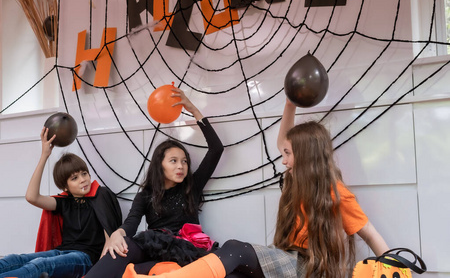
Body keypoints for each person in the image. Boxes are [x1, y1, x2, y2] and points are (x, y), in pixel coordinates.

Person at [122, 98, 389, 278]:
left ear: (306, 156)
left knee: (235, 249)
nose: (282, 159)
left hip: (308, 268)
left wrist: (394, 264)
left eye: (288, 154)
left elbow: (371, 235)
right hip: (290, 257)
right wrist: (289, 104)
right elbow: (286, 139)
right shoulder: (298, 179)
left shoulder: (336, 193)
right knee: (235, 268)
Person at [84, 87, 224, 278]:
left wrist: (194, 110)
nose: (181, 166)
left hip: (188, 249)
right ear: (160, 165)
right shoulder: (146, 196)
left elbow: (216, 149)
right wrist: (118, 234)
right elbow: (131, 223)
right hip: (155, 245)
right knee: (124, 246)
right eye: (173, 161)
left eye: (184, 161)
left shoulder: (192, 186)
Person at [0, 128, 122, 278]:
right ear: (65, 187)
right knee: (14, 259)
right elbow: (32, 197)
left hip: (85, 258)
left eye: (84, 174)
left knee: (40, 265)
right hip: (62, 252)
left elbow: (109, 232)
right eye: (74, 178)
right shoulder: (64, 202)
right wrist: (44, 155)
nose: (83, 179)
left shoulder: (100, 195)